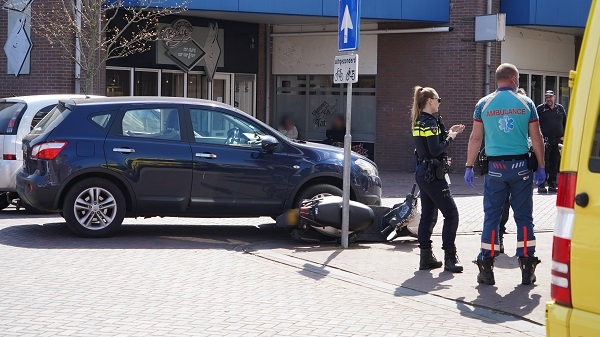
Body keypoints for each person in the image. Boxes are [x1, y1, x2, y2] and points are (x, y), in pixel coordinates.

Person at [464, 63, 546, 286]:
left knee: (492, 216)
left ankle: (486, 268)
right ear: (512, 79)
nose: (518, 82)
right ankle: (527, 267)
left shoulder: (483, 104)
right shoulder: (526, 103)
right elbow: (536, 137)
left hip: (495, 169)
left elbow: (475, 138)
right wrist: (541, 165)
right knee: (524, 217)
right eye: (517, 78)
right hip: (521, 168)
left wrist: (469, 166)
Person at [411, 85, 465, 273]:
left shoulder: (419, 121)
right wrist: (450, 137)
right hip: (434, 175)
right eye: (438, 99)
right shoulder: (431, 123)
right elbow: (435, 149)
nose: (439, 102)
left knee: (428, 215)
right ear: (430, 101)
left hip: (423, 173)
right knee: (451, 214)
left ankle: (425, 258)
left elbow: (426, 147)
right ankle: (450, 258)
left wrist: (448, 132)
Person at [536, 90, 566, 193]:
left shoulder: (560, 108)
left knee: (555, 163)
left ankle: (552, 184)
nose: (548, 99)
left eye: (550, 97)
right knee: (544, 162)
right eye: (547, 97)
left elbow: (565, 122)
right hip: (545, 140)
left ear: (555, 97)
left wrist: (564, 136)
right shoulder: (540, 108)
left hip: (557, 140)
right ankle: (541, 184)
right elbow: (535, 124)